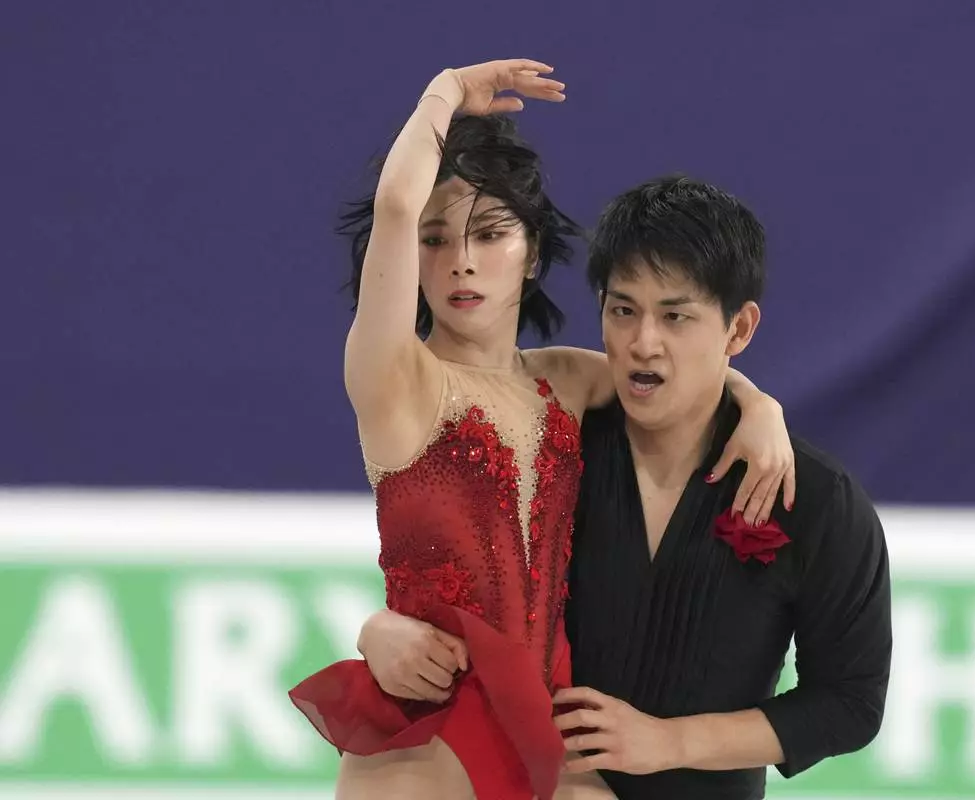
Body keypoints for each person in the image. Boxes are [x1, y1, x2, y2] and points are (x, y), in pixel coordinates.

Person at [287, 60, 798, 800]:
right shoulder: (398, 380)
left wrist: (760, 406)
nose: (462, 261)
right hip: (427, 734)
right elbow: (396, 205)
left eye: (490, 233)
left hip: (552, 727)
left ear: (531, 252)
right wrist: (447, 91)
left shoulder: (562, 379)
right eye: (437, 240)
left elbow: (680, 375)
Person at [360, 175, 893, 800]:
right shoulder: (557, 446)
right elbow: (463, 585)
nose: (644, 344)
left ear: (738, 330)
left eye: (675, 316)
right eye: (623, 311)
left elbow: (851, 703)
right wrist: (381, 630)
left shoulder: (816, 499)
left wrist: (672, 742)